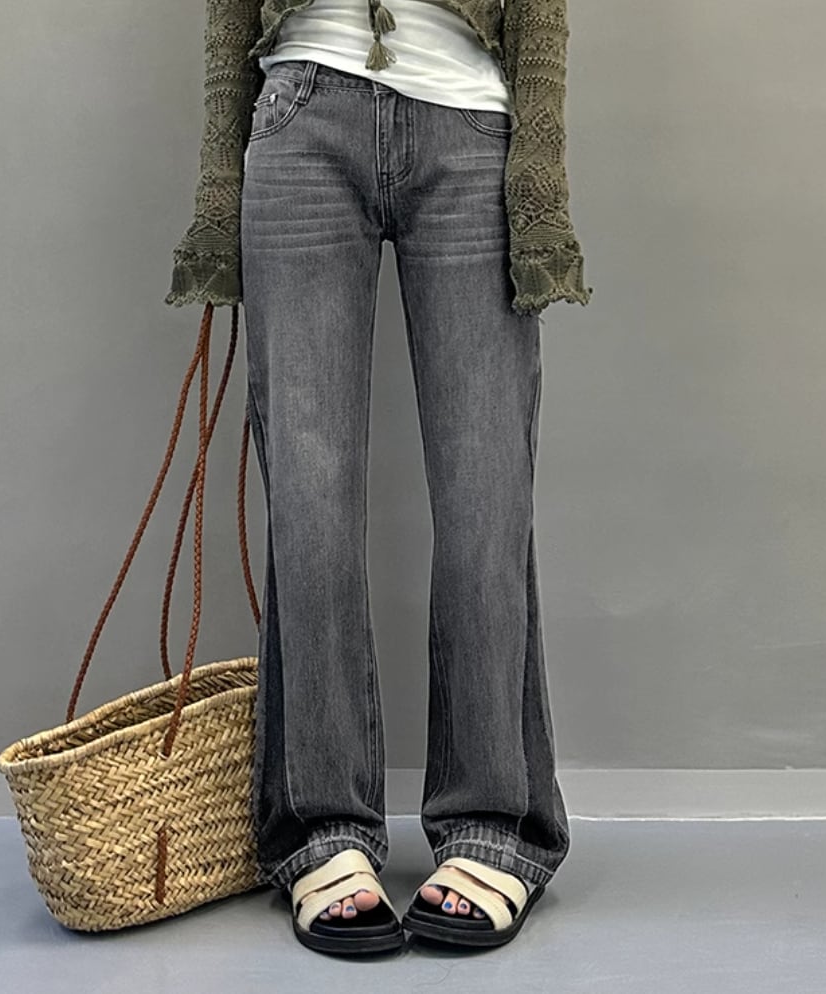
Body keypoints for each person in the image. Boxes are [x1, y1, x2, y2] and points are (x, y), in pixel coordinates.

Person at [166, 0, 590, 955]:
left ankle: (494, 823)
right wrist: (217, 192)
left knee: (485, 503)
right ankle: (322, 828)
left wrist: (540, 173)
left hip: (467, 121)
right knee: (308, 502)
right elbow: (231, 14)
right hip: (302, 118)